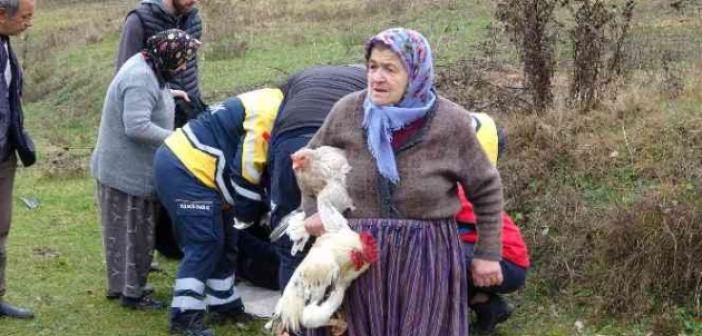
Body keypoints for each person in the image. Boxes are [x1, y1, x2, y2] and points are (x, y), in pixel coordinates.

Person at [301, 28, 505, 336]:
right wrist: (311, 211)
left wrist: (488, 254)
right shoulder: (347, 111)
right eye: (372, 66)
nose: (377, 77)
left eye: (390, 69)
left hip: (425, 255)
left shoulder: (450, 122)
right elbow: (309, 162)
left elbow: (486, 188)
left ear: (416, 75)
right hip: (356, 253)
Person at [153, 88, 283, 336]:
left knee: (227, 240)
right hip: (187, 168)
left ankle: (223, 304)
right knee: (204, 243)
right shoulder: (269, 112)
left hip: (203, 170)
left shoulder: (273, 99)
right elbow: (248, 169)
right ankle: (184, 316)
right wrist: (251, 214)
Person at [230, 65, 367, 289]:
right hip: (335, 146)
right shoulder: (375, 79)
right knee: (345, 226)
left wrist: (277, 180)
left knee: (290, 236)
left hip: (290, 145)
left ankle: (290, 315)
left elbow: (274, 131)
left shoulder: (296, 80)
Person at [91, 29, 199, 310]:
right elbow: (136, 126)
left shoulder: (149, 63)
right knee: (135, 235)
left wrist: (170, 93)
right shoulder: (140, 77)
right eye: (182, 60)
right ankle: (133, 295)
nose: (184, 66)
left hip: (121, 168)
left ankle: (121, 286)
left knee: (122, 234)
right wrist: (177, 137)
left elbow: (152, 92)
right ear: (167, 56)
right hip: (126, 172)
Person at [115, 0, 204, 264]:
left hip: (187, 105)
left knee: (183, 180)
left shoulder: (193, 18)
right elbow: (126, 72)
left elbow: (191, 65)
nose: (194, 1)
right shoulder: (139, 20)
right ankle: (144, 250)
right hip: (152, 113)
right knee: (149, 183)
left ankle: (174, 243)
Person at [457, 113, 529, 334]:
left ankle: (450, 324)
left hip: (505, 260)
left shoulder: (454, 188)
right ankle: (488, 305)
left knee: (434, 257)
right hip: (505, 257)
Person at [0, 0, 35, 320]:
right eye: (25, 17)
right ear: (1, 15)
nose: (29, 23)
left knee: (1, 225)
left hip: (4, 154)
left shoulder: (6, 45)